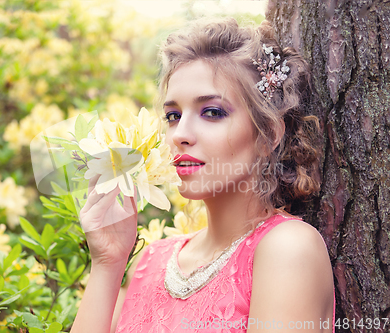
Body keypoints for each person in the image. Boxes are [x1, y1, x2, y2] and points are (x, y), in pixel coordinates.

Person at [70, 18, 335, 333]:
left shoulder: (288, 249)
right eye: (173, 116)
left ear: (267, 135)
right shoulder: (150, 262)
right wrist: (107, 263)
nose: (180, 134)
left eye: (212, 112)